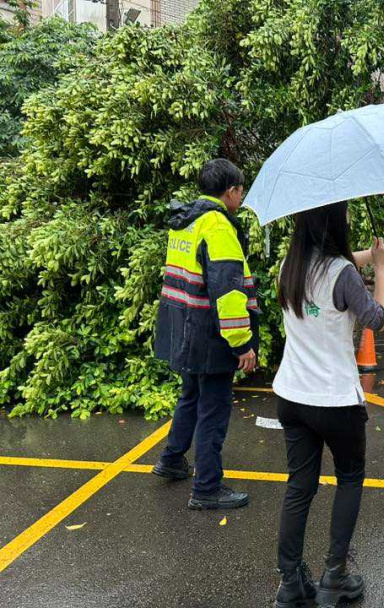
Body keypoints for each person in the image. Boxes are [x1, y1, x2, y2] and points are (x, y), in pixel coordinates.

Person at [271, 201, 384, 608]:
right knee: (349, 479)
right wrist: (380, 269)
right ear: (336, 222)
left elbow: (335, 266)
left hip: (292, 397)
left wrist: (375, 253)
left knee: (300, 486)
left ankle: (290, 583)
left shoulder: (287, 268)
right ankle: (334, 577)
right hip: (335, 402)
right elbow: (377, 318)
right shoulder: (343, 274)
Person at [152, 158, 259, 510]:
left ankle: (171, 459)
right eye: (240, 191)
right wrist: (242, 343)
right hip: (208, 336)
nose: (241, 198)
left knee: (190, 396)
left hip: (182, 328)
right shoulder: (218, 227)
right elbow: (228, 294)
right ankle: (207, 488)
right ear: (230, 191)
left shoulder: (186, 221)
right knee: (213, 409)